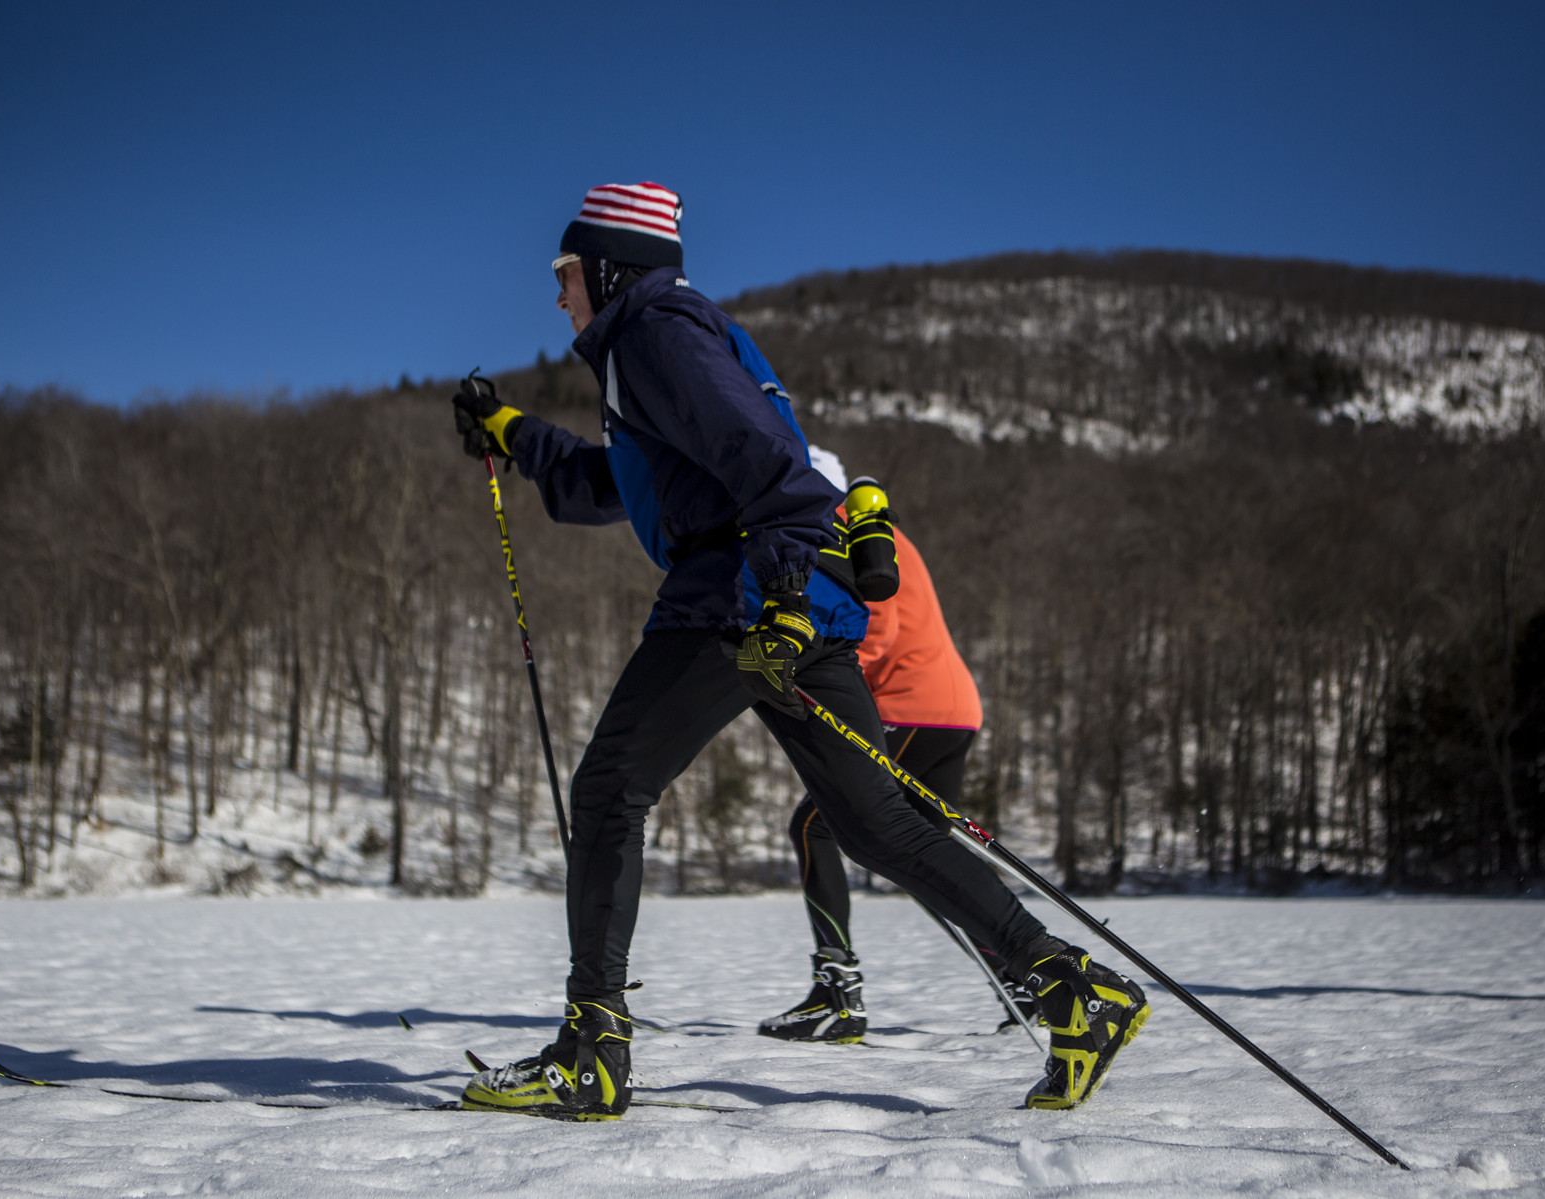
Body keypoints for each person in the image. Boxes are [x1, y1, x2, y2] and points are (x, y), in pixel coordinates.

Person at [447, 182, 1148, 1119]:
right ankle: (1071, 987)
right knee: (877, 823)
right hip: (796, 592)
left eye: (564, 271)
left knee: (612, 786)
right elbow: (605, 482)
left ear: (609, 265)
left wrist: (774, 599)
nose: (557, 293)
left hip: (741, 590)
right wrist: (509, 434)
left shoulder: (655, 330)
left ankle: (591, 1048)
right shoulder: (650, 350)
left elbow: (771, 463)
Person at [757, 448, 1022, 1044]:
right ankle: (1023, 976)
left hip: (912, 707)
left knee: (814, 828)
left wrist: (819, 671)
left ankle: (837, 993)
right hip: (950, 710)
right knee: (925, 855)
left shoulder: (848, 534)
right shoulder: (879, 529)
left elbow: (878, 627)